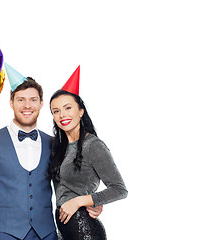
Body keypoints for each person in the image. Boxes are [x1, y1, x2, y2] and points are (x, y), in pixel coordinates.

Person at [0, 64, 103, 240]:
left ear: (41, 104)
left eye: (33, 100)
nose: (27, 105)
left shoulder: (55, 144)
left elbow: (69, 187)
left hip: (47, 235)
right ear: (11, 103)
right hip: (6, 235)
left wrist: (91, 203)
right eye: (21, 99)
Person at [47, 66, 128, 240]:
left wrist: (82, 201)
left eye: (68, 108)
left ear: (81, 111)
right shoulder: (57, 146)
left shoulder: (93, 145)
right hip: (65, 230)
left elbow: (119, 189)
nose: (62, 114)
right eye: (56, 111)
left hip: (85, 229)